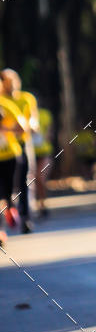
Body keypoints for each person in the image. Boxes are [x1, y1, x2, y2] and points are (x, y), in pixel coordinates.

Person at [1, 69, 38, 233]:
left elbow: (32, 122)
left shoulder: (26, 98)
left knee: (24, 181)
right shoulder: (3, 100)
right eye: (7, 82)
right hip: (7, 147)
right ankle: (10, 209)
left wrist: (30, 126)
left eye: (13, 81)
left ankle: (25, 217)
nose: (11, 85)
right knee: (7, 188)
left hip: (21, 145)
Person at [0, 92, 27, 240]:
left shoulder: (6, 105)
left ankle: (11, 208)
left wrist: (5, 129)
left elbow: (22, 128)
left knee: (8, 194)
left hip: (10, 156)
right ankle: (1, 232)